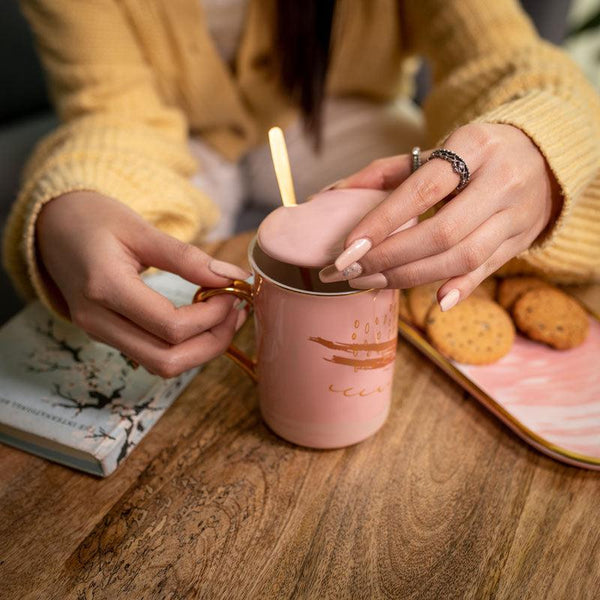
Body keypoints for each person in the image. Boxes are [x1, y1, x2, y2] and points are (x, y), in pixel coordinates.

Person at [3, 0, 599, 378]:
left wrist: (540, 145)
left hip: (343, 119)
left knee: (461, 223)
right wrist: (74, 201)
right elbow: (113, 112)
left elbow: (502, 54)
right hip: (173, 135)